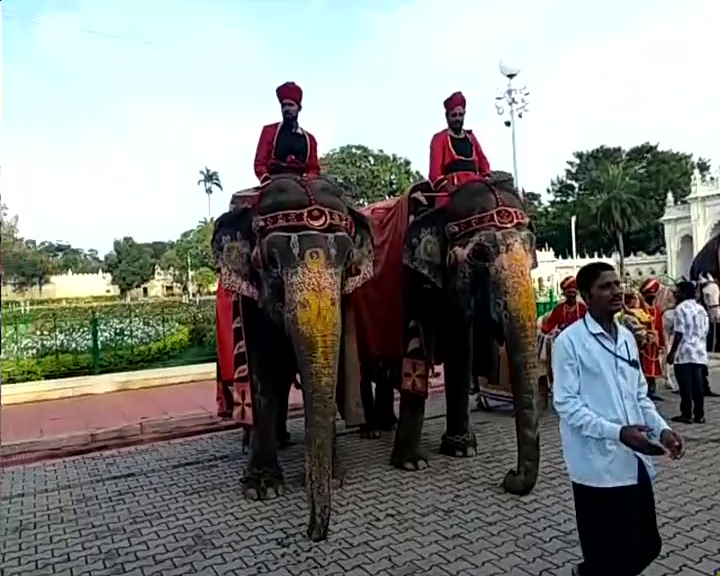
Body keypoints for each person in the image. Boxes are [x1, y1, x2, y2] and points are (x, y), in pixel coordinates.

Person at [553, 261, 685, 576]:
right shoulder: (569, 343)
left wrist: (663, 430)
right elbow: (567, 405)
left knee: (647, 545)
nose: (617, 291)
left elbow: (639, 396)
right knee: (607, 554)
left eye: (617, 283)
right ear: (586, 295)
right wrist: (618, 432)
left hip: (632, 460)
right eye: (606, 286)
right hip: (594, 467)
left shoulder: (626, 337)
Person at [428, 91, 491, 207]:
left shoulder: (471, 138)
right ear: (447, 116)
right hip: (450, 192)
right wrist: (452, 189)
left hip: (476, 189)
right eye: (454, 115)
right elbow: (434, 174)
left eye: (460, 115)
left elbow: (483, 162)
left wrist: (485, 179)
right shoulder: (439, 139)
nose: (458, 118)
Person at [253, 81, 321, 184]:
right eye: (283, 105)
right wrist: (265, 178)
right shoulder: (269, 131)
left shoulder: (310, 139)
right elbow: (259, 163)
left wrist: (308, 178)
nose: (286, 109)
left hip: (301, 183)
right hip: (273, 181)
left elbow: (314, 168)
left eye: (291, 105)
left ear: (299, 108)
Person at [666, 280, 709, 424]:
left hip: (684, 351)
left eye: (678, 291)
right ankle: (699, 414)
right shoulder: (701, 309)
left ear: (683, 292)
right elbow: (705, 330)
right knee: (698, 385)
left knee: (685, 386)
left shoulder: (680, 309)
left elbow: (679, 332)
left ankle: (686, 414)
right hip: (699, 351)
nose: (676, 294)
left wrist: (672, 353)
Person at [638, 278, 666, 401]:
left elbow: (660, 327)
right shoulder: (638, 310)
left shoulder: (657, 310)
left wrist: (661, 343)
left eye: (653, 295)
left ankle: (652, 389)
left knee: (652, 367)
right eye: (649, 295)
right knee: (643, 367)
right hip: (642, 343)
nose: (651, 298)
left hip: (653, 344)